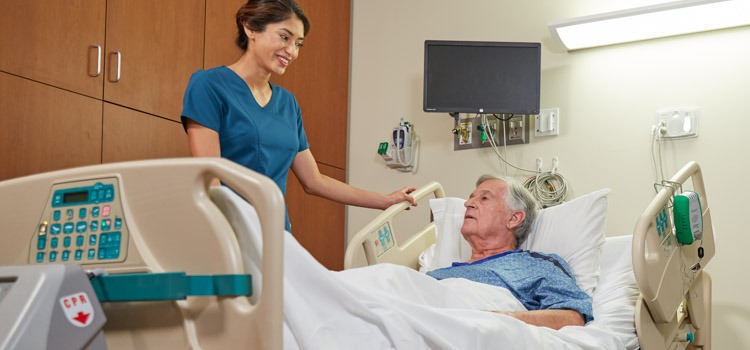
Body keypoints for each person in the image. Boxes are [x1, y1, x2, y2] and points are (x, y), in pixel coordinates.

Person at [180, 0, 415, 231]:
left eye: (298, 44)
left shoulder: (287, 103)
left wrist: (385, 200)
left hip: (276, 235)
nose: (292, 52)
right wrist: (226, 235)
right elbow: (208, 175)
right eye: (285, 37)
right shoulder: (209, 86)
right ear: (250, 27)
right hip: (228, 230)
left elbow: (314, 181)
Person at [427, 175, 593, 330]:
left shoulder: (535, 266)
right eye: (471, 197)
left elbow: (572, 317)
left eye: (484, 198)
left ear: (514, 218)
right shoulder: (437, 275)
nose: (468, 203)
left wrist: (498, 319)